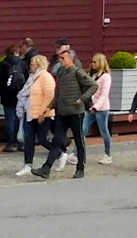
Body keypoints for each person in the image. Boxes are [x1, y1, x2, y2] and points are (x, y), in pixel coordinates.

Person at [40, 44, 96, 179]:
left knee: (79, 140)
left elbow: (93, 85)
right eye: (60, 58)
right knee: (57, 140)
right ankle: (46, 168)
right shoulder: (61, 73)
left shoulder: (77, 72)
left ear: (71, 59)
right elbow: (58, 93)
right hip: (62, 112)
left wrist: (82, 99)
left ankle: (80, 168)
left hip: (76, 113)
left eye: (63, 58)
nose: (61, 60)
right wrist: (51, 106)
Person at [18, 54, 56, 176]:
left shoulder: (46, 77)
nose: (30, 66)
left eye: (32, 64)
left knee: (42, 139)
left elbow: (49, 96)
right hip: (30, 112)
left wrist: (42, 113)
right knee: (28, 139)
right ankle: (27, 164)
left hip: (42, 114)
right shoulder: (33, 78)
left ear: (38, 65)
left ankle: (59, 153)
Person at [0, 44, 27, 152]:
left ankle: (10, 143)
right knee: (20, 119)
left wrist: (1, 93)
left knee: (9, 119)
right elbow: (27, 79)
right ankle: (21, 142)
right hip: (20, 96)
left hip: (7, 96)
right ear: (17, 52)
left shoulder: (3, 64)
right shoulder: (22, 64)